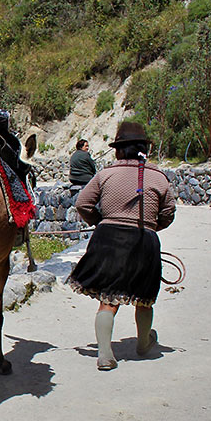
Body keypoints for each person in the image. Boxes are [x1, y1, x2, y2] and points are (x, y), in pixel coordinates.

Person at [67, 121, 175, 371]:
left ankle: (105, 354)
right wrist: (151, 227)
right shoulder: (159, 177)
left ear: (118, 150)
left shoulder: (105, 174)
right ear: (144, 149)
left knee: (108, 299)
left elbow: (83, 203)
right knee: (145, 298)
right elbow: (169, 212)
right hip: (144, 239)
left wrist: (100, 222)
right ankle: (143, 343)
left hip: (109, 238)